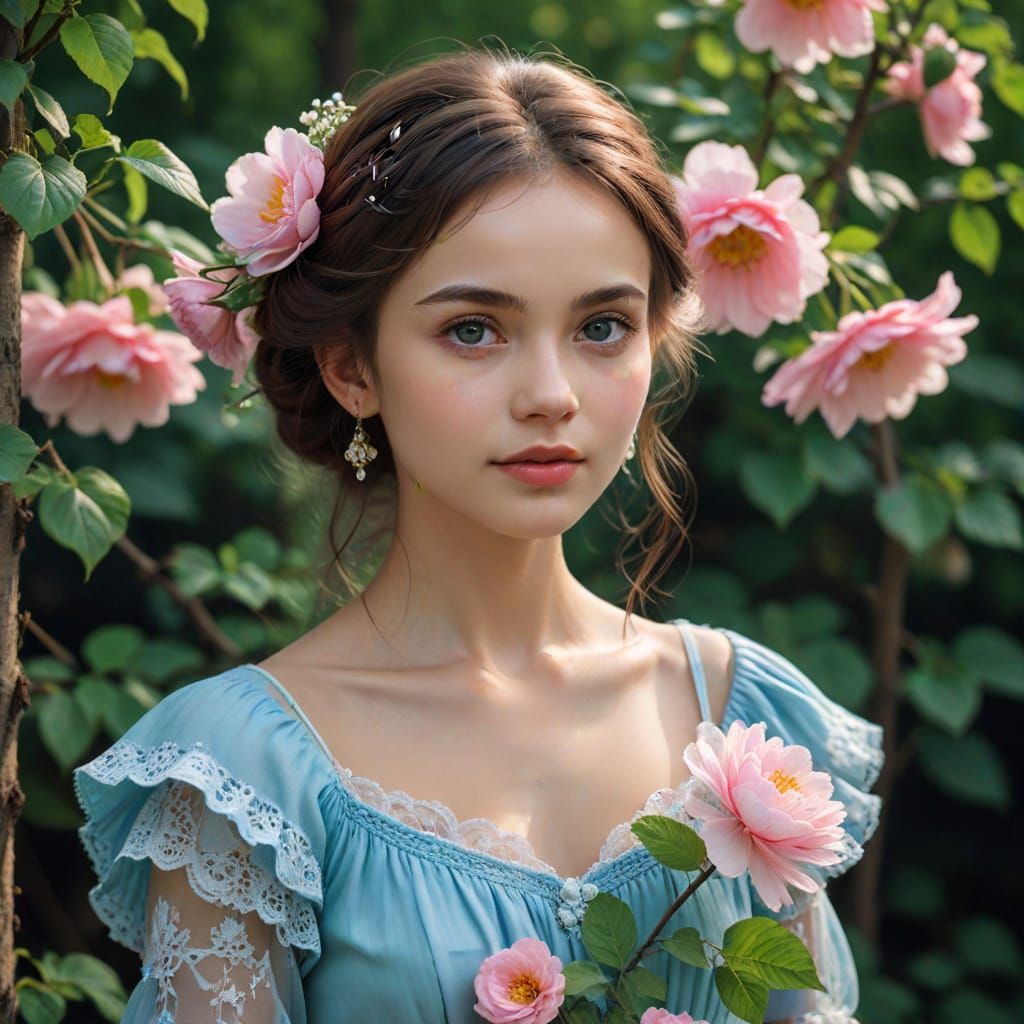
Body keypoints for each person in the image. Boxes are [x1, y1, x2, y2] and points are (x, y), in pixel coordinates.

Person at [72, 42, 884, 1024]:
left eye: (601, 328)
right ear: (350, 368)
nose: (550, 396)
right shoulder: (246, 776)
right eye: (472, 329)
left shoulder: (740, 716)